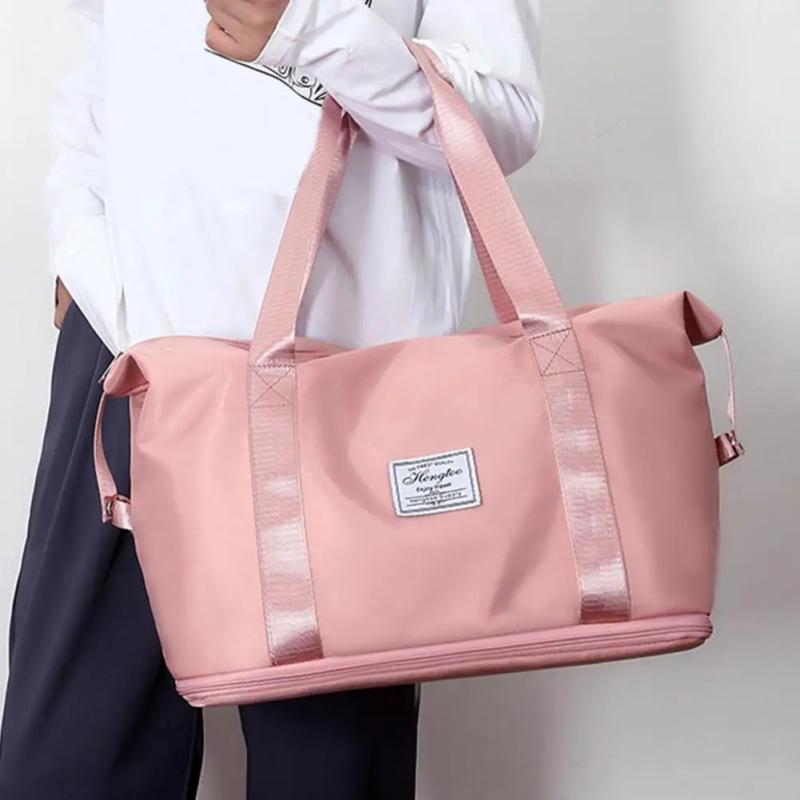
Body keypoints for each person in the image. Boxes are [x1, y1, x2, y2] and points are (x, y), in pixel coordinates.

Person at [0, 0, 544, 796]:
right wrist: (81, 237)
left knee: (326, 767)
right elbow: (105, 58)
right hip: (127, 358)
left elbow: (504, 121)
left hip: (334, 383)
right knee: (64, 761)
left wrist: (307, 27)